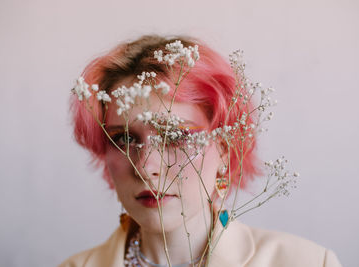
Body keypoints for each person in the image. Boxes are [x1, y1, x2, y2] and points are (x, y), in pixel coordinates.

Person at [59, 35, 342, 267]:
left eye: (175, 136)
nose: (146, 167)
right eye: (123, 139)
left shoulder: (309, 263)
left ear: (224, 149)